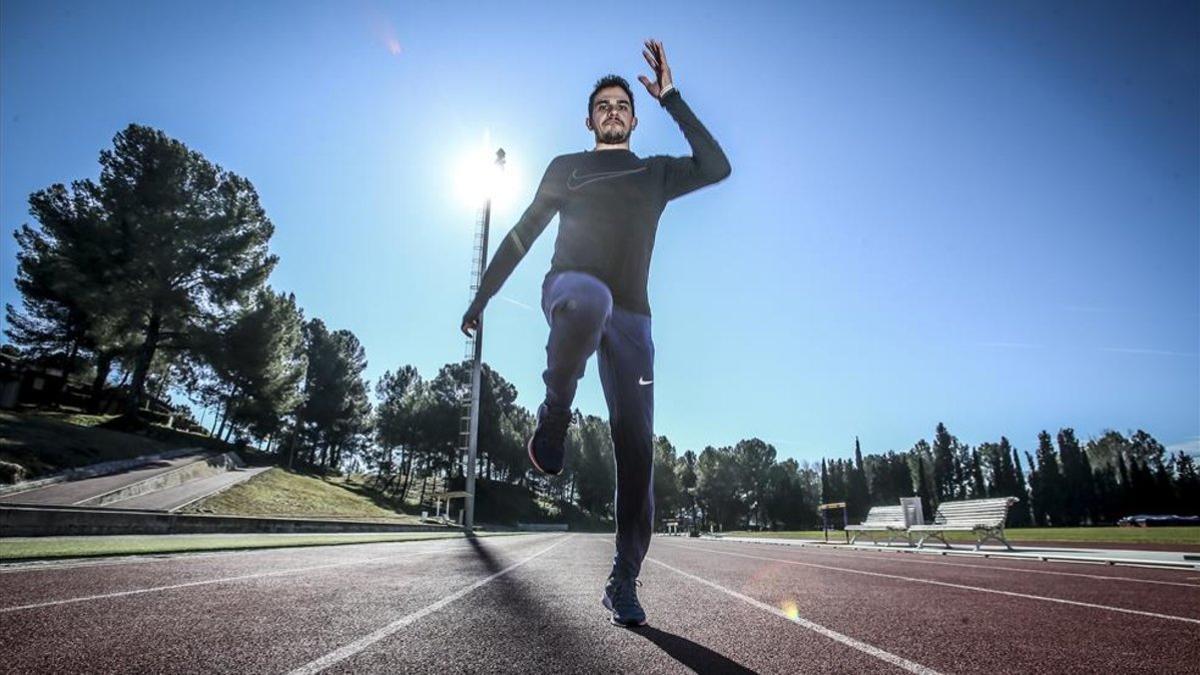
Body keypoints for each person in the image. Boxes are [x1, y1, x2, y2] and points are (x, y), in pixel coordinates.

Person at [460, 39, 730, 627]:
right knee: (590, 297)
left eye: (622, 105)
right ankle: (555, 414)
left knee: (637, 448)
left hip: (634, 320)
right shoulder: (568, 168)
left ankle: (624, 578)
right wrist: (482, 296)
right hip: (570, 290)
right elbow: (523, 233)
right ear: (589, 119)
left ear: (633, 118)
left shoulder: (654, 173)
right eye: (603, 104)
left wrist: (673, 99)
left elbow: (717, 166)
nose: (612, 110)